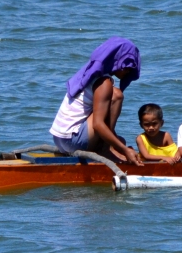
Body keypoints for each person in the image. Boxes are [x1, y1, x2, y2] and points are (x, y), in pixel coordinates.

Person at [50, 37, 144, 165]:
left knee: (119, 139)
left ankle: (107, 146)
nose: (129, 70)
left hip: (59, 140)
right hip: (72, 141)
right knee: (117, 96)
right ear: (116, 60)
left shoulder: (89, 72)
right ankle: (106, 149)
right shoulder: (104, 82)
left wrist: (119, 144)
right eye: (127, 65)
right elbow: (98, 124)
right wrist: (124, 150)